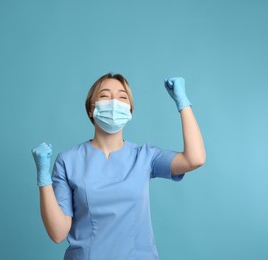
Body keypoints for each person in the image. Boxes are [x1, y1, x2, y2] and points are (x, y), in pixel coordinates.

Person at [31, 73, 205, 260]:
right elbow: (58, 233)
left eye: (122, 97)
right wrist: (43, 177)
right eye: (105, 96)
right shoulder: (68, 161)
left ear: (129, 110)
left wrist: (183, 103)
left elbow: (195, 159)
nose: (114, 102)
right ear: (91, 109)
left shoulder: (145, 157)